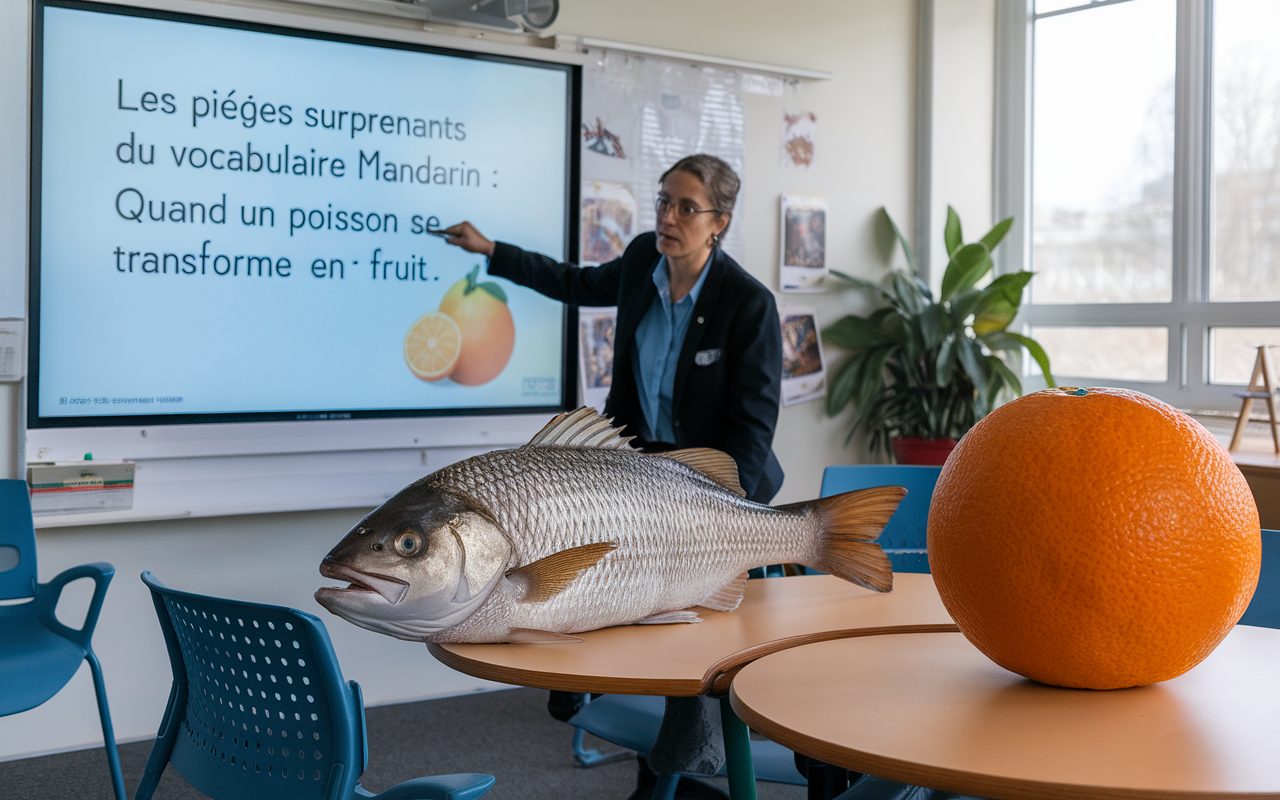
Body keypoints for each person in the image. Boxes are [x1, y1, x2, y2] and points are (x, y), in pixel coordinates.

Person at [440, 153, 784, 503]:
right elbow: (573, 283)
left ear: (719, 223)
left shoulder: (748, 303)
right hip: (643, 470)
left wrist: (735, 504)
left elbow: (752, 427)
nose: (667, 217)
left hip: (718, 484)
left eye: (687, 209)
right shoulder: (642, 259)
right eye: (663, 201)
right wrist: (492, 250)